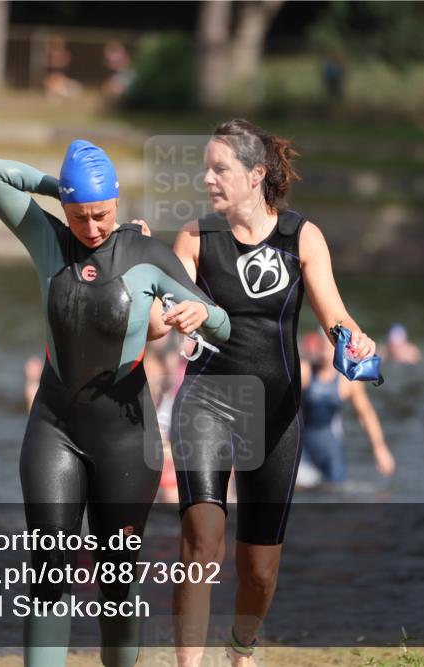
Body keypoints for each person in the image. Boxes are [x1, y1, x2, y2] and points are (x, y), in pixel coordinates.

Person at [0, 139, 230, 667]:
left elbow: (221, 321)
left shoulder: (149, 255)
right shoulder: (49, 240)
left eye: (101, 214)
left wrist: (197, 316)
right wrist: (63, 191)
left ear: (117, 204)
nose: (91, 227)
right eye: (79, 215)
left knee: (116, 578)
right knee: (49, 567)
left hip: (125, 438)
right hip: (55, 429)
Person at [147, 119, 379, 666]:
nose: (208, 178)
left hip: (276, 416)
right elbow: (160, 317)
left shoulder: (303, 237)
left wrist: (355, 340)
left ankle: (241, 649)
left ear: (255, 175)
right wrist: (170, 311)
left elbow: (334, 316)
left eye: (220, 168)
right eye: (206, 167)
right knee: (201, 540)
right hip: (205, 402)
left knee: (259, 568)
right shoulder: (196, 237)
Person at [297, 330, 395, 488]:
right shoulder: (305, 371)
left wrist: (379, 448)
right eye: (322, 343)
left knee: (336, 494)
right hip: (304, 448)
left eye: (329, 345)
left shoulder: (347, 381)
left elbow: (366, 414)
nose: (325, 349)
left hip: (331, 449)